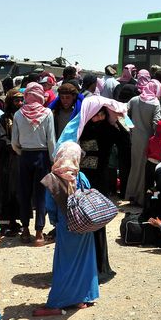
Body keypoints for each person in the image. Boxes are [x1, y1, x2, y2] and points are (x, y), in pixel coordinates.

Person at [56, 95, 128, 284]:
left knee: (90, 221)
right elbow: (125, 141)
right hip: (86, 182)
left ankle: (93, 268)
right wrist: (116, 121)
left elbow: (124, 142)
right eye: (98, 113)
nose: (99, 117)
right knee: (90, 221)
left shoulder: (84, 127)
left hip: (88, 182)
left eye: (102, 113)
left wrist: (114, 121)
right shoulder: (94, 128)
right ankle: (94, 268)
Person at [34, 142, 100, 316]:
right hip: (85, 225)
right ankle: (81, 298)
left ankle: (56, 303)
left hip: (66, 226)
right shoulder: (80, 176)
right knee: (83, 262)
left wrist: (55, 222)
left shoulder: (53, 178)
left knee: (64, 265)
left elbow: (50, 206)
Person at [12, 82, 56, 245]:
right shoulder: (47, 113)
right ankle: (39, 233)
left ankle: (25, 231)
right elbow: (51, 140)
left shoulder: (18, 114)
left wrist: (21, 152)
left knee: (24, 193)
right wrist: (52, 159)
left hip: (25, 156)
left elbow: (14, 141)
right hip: (42, 156)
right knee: (41, 195)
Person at [125, 74, 161, 205]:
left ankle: (131, 195)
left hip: (135, 138)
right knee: (146, 169)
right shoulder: (155, 103)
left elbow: (123, 113)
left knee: (135, 167)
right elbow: (156, 123)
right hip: (149, 140)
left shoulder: (134, 100)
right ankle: (142, 198)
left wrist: (130, 127)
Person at [0, 89, 23, 235]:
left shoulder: (24, 117)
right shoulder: (3, 119)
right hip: (8, 158)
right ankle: (5, 222)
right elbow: (2, 138)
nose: (20, 103)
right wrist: (14, 146)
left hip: (20, 158)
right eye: (17, 100)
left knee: (18, 189)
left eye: (21, 100)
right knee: (6, 189)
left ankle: (15, 220)